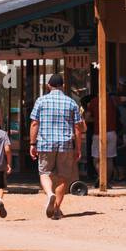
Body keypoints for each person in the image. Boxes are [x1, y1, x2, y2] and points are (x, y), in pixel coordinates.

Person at [29, 73, 83, 220]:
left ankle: (49, 194)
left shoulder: (41, 101)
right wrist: (78, 147)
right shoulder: (71, 102)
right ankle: (57, 208)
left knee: (44, 172)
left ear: (48, 86)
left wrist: (32, 143)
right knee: (63, 177)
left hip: (45, 143)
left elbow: (34, 123)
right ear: (63, 86)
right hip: (65, 145)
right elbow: (78, 128)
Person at [89, 90, 118, 186]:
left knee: (96, 158)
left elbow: (87, 117)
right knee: (109, 158)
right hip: (111, 132)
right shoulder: (113, 101)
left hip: (98, 133)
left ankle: (101, 179)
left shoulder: (94, 101)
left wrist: (95, 119)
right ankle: (107, 181)